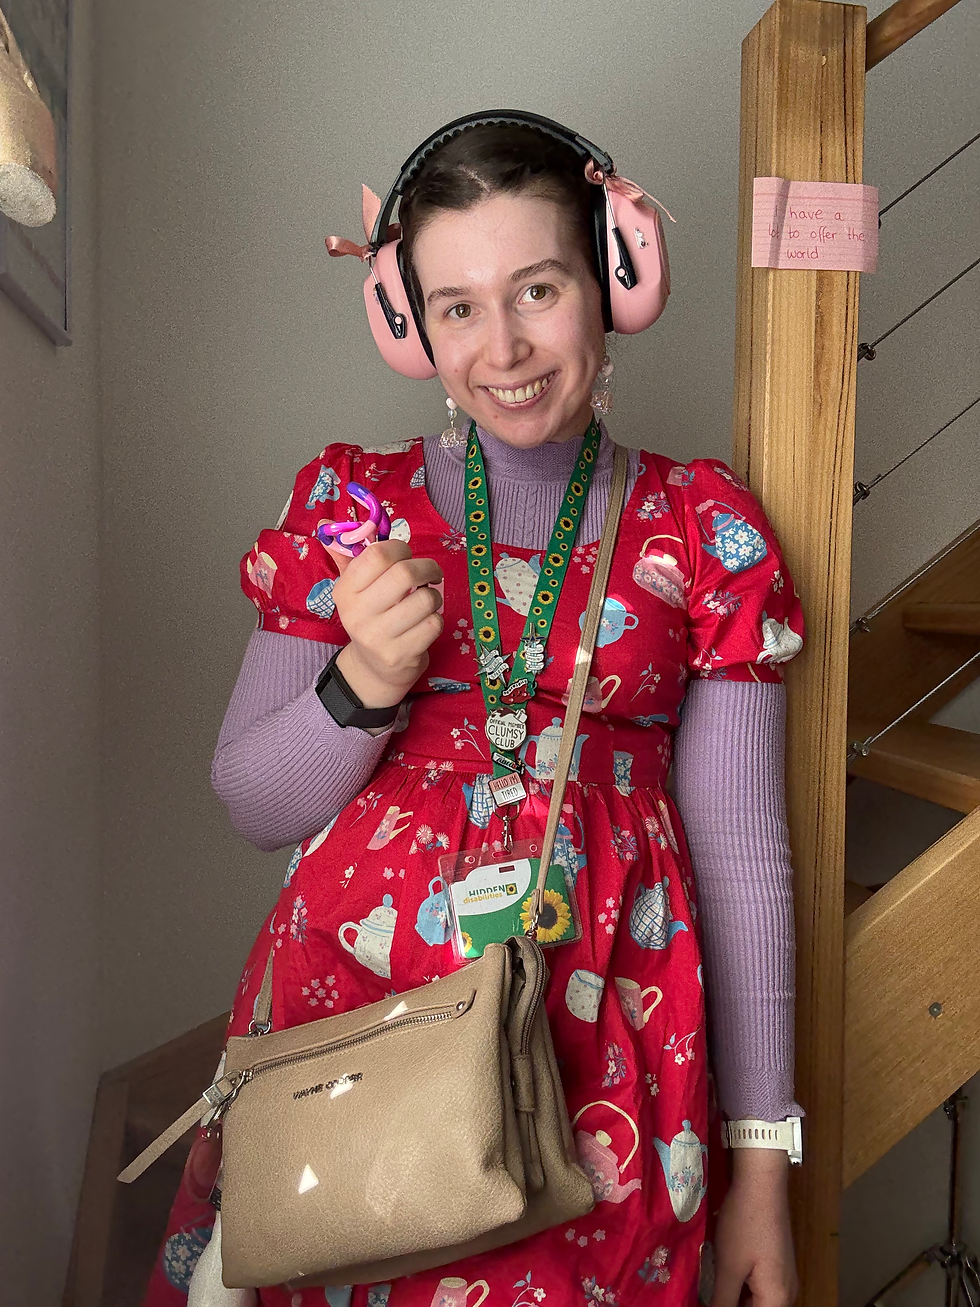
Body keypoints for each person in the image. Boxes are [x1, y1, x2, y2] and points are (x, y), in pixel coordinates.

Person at [144, 115, 806, 1307]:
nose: (500, 346)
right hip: (355, 1044)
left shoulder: (705, 526)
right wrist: (359, 688)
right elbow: (251, 800)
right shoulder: (351, 505)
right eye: (454, 306)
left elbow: (744, 859)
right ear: (409, 324)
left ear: (611, 283)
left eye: (537, 289)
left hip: (608, 1058)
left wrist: (762, 1162)